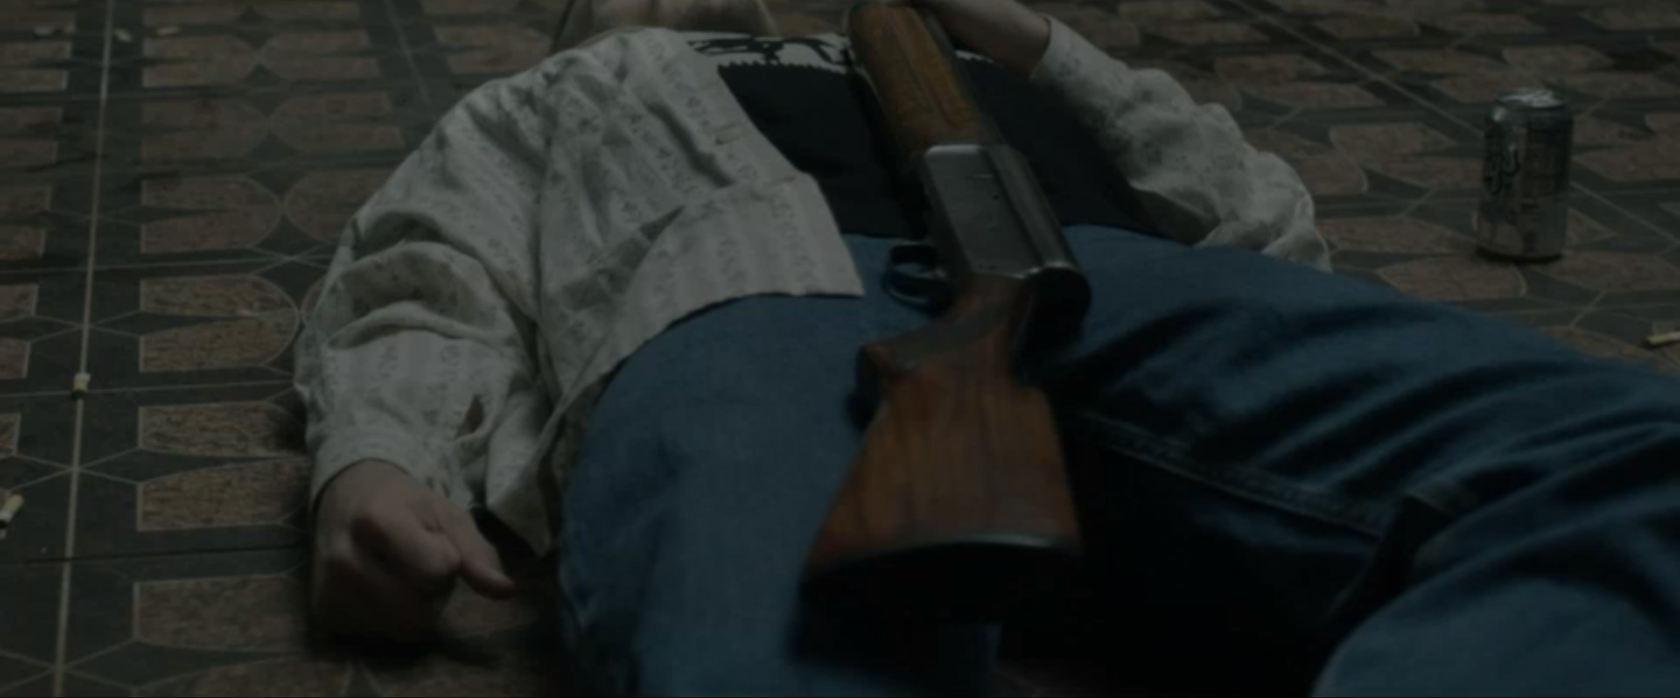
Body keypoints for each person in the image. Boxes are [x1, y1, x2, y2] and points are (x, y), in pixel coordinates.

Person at [294, 0, 1680, 694]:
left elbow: (1267, 224)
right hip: (733, 305)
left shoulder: (976, 62)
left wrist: (1041, 47)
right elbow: (420, 274)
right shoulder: (554, 93)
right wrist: (374, 458)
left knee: (1636, 465)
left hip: (1114, 280)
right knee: (763, 641)